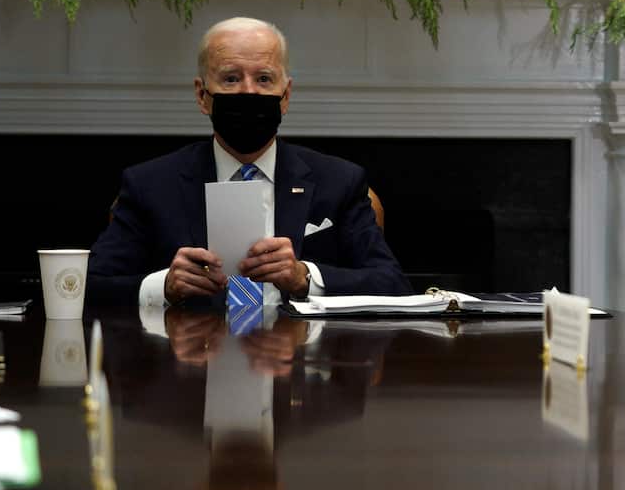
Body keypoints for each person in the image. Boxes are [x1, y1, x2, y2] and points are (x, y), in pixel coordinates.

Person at [87, 17, 411, 306]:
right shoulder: (151, 184)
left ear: (285, 96)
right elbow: (89, 287)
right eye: (230, 79)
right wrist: (164, 286)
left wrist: (305, 277)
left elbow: (393, 285)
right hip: (190, 362)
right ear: (202, 96)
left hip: (300, 362)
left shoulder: (339, 182)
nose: (249, 92)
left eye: (264, 79)